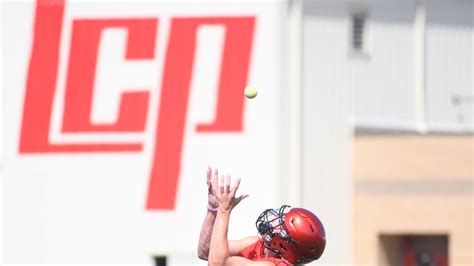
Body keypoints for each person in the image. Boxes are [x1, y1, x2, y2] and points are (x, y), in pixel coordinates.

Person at [197, 167, 326, 266]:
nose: (274, 221)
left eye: (281, 224)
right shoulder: (259, 244)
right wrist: (213, 209)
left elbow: (217, 264)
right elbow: (206, 251)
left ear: (284, 246)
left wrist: (224, 211)